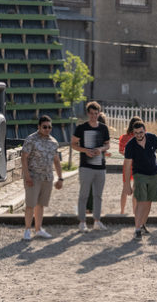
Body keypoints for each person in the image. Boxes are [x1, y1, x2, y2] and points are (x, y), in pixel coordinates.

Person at [123, 121, 157, 240]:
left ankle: (143, 225)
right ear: (133, 133)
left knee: (149, 201)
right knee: (141, 201)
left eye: (141, 132)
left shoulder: (152, 138)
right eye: (136, 133)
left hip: (154, 174)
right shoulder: (130, 145)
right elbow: (127, 166)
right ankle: (137, 229)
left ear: (145, 130)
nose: (139, 135)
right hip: (139, 174)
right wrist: (127, 184)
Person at [21, 115, 63, 240]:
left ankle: (38, 229)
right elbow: (24, 158)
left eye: (49, 127)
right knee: (30, 204)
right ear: (39, 127)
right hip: (33, 177)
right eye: (44, 127)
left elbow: (56, 161)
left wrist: (60, 177)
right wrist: (27, 176)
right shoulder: (31, 140)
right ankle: (27, 229)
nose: (47, 129)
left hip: (47, 178)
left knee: (41, 204)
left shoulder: (54, 142)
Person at [72, 101, 110, 232]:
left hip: (100, 167)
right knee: (84, 195)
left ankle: (97, 221)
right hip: (86, 166)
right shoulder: (81, 128)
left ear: (99, 113)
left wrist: (101, 149)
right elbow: (73, 144)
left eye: (96, 113)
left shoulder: (104, 128)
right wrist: (84, 150)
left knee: (98, 196)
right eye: (91, 113)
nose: (94, 116)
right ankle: (82, 222)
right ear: (88, 113)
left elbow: (108, 145)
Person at [119, 116, 142, 215]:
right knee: (136, 190)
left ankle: (122, 211)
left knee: (125, 188)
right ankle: (135, 212)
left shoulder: (124, 137)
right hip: (138, 164)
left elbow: (121, 151)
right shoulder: (141, 137)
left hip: (127, 164)